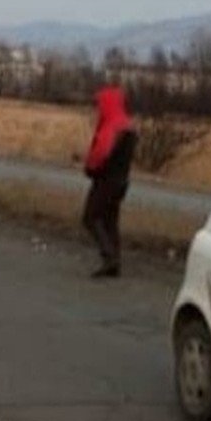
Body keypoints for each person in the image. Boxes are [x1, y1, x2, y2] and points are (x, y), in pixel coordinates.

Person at [81, 85, 137, 278]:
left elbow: (101, 153)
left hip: (105, 180)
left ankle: (109, 256)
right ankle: (115, 263)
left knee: (90, 217)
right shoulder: (128, 126)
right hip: (121, 181)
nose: (97, 108)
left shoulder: (112, 126)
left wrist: (89, 167)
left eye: (99, 104)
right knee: (110, 221)